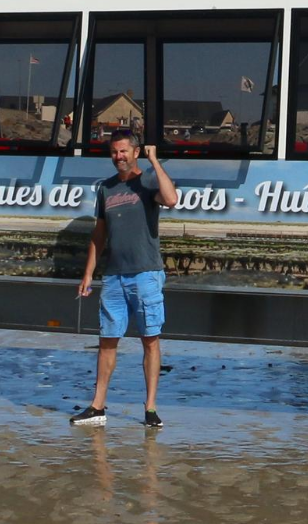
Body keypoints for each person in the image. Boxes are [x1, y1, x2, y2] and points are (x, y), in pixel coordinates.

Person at [68, 134, 178, 428]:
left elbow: (171, 199)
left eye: (124, 151)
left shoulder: (148, 182)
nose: (119, 156)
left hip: (146, 274)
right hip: (114, 276)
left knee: (150, 340)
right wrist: (89, 273)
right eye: (114, 152)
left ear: (136, 152)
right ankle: (97, 406)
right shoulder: (106, 188)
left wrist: (155, 161)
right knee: (107, 341)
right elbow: (99, 234)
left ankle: (150, 408)